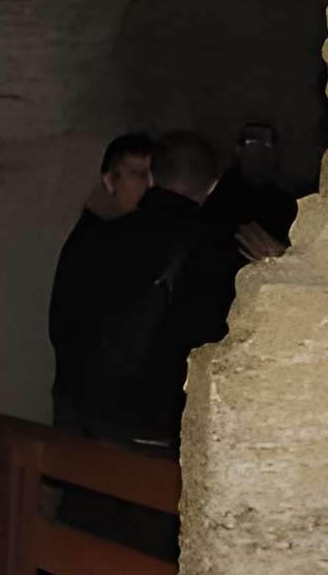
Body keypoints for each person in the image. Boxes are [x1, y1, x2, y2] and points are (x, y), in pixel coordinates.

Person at [54, 130, 241, 449]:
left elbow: (62, 323)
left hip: (94, 418)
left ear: (152, 176)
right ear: (213, 185)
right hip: (163, 429)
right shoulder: (219, 251)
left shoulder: (99, 238)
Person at [46, 133, 158, 431]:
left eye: (151, 174)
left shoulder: (129, 234)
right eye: (136, 174)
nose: (147, 184)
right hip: (92, 401)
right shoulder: (98, 241)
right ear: (110, 180)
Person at [206, 117, 298, 258]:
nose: (260, 151)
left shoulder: (288, 199)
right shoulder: (223, 198)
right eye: (251, 142)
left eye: (268, 142)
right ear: (237, 150)